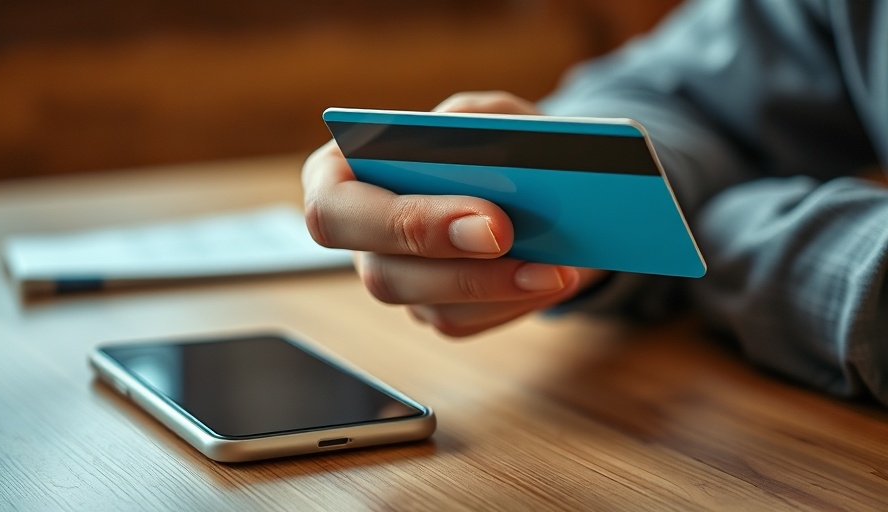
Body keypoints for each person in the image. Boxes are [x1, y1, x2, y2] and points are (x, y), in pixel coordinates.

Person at [302, 0, 888, 405]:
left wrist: (737, 234)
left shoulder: (733, 233)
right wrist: (576, 200)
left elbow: (728, 231)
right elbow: (690, 95)